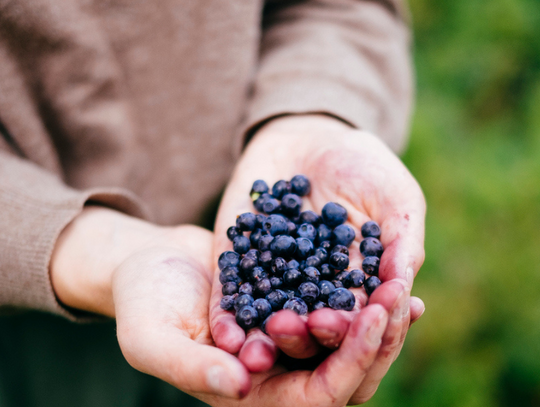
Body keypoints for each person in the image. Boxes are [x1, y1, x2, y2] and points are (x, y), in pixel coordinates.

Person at [0, 0, 426, 406]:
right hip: (24, 332)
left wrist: (313, 113)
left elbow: (339, 8)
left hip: (214, 293)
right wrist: (69, 240)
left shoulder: (274, 233)